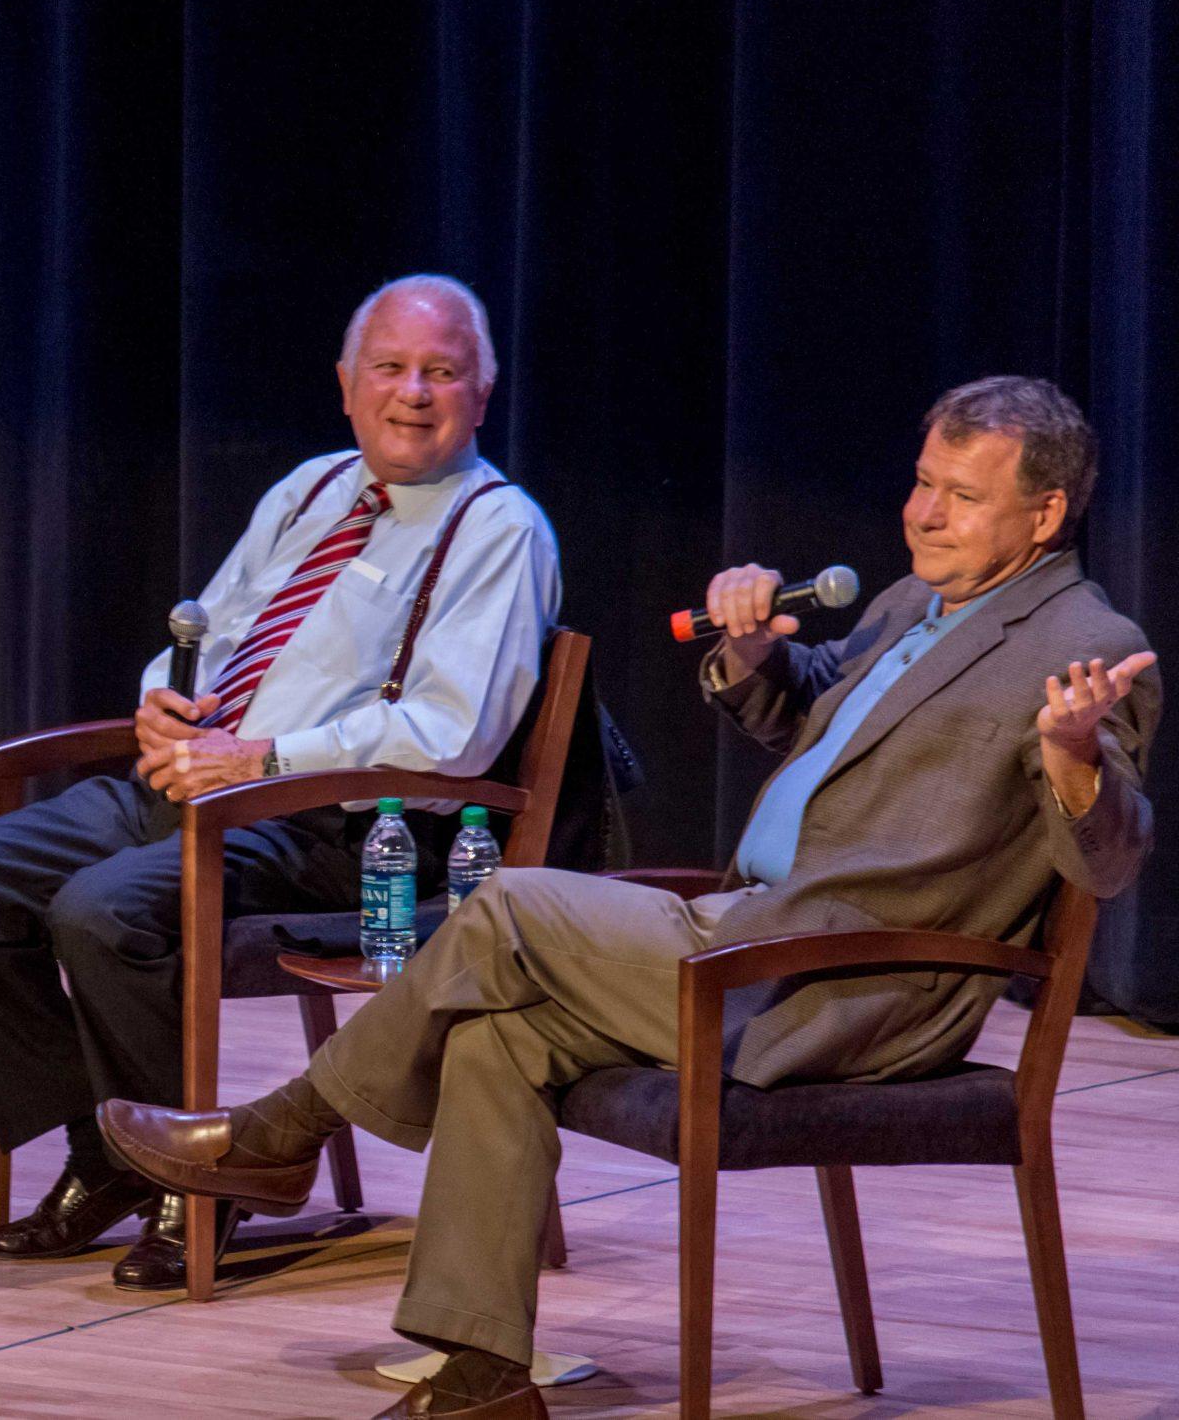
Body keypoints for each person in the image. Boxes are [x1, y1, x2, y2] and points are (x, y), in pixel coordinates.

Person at [99, 374, 1157, 1419]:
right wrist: (748, 650)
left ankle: (274, 1139)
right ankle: (482, 1379)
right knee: (496, 1036)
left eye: (959, 497)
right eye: (922, 483)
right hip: (746, 934)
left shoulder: (1084, 648)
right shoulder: (912, 601)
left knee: (508, 904)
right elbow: (808, 714)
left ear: (1046, 510)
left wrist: (1071, 762)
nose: (922, 512)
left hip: (843, 985)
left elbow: (1110, 858)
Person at [0, 275, 561, 1290]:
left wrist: (258, 761)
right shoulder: (309, 489)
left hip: (338, 823)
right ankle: (109, 1149)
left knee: (102, 910)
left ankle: (205, 1172)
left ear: (483, 393)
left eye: (442, 372)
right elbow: (204, 634)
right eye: (389, 368)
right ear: (348, 385)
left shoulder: (498, 529)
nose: (413, 393)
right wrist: (161, 703)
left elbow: (451, 733)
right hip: (205, 784)